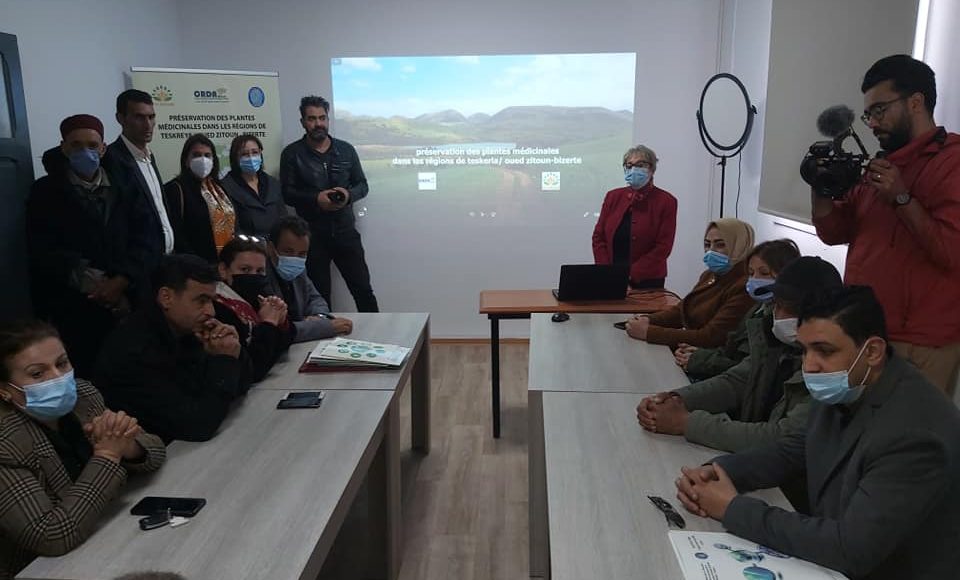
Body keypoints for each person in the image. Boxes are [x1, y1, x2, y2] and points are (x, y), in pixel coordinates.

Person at [675, 286, 960, 579]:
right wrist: (721, 471)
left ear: (872, 351)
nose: (809, 366)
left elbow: (850, 549)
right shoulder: (851, 383)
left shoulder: (915, 432)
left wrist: (733, 508)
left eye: (824, 350)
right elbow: (795, 449)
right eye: (804, 350)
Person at [812, 54, 960, 395]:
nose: (873, 123)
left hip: (919, 344)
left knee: (909, 429)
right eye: (868, 115)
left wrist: (902, 198)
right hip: (863, 329)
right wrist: (820, 189)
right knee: (855, 426)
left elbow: (951, 252)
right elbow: (834, 233)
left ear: (915, 102)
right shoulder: (881, 164)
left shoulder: (952, 162)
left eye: (880, 110)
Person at [0, 320, 165, 579]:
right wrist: (108, 455)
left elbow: (156, 451)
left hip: (106, 532)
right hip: (39, 568)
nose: (58, 377)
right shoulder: (6, 442)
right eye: (37, 374)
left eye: (62, 363)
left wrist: (129, 446)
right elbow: (51, 536)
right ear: (5, 391)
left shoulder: (83, 396)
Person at [636, 256, 843, 454]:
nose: (777, 315)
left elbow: (782, 437)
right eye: (776, 304)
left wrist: (686, 423)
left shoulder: (829, 371)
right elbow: (736, 382)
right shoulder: (775, 341)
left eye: (787, 308)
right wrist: (675, 400)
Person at [26, 114, 151, 377]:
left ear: (103, 148)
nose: (85, 152)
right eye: (76, 145)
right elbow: (43, 248)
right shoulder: (45, 191)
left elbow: (146, 237)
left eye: (92, 145)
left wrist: (122, 280)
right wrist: (95, 284)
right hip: (76, 307)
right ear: (64, 147)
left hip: (128, 300)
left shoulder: (126, 185)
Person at [95, 254, 250, 443]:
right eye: (201, 300)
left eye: (211, 301)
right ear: (166, 297)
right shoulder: (134, 351)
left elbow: (241, 386)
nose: (211, 311)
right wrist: (224, 361)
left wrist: (233, 351)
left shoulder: (186, 330)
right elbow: (197, 425)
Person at [280, 95, 379, 312]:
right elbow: (287, 193)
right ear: (303, 122)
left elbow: (362, 185)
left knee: (363, 290)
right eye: (312, 118)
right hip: (311, 237)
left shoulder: (346, 150)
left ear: (328, 119)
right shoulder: (292, 154)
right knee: (319, 296)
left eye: (322, 118)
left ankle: (378, 332)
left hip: (345, 233)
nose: (318, 124)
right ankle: (325, 334)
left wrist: (347, 195)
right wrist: (316, 199)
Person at [677, 239, 801, 380]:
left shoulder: (785, 320)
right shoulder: (758, 307)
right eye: (751, 273)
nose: (755, 279)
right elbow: (733, 349)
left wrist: (701, 360)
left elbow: (751, 371)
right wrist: (702, 354)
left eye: (764, 273)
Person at [625, 218, 755, 348]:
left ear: (740, 246)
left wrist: (649, 332)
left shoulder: (745, 287)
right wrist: (648, 319)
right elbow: (682, 311)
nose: (711, 251)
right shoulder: (709, 275)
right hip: (689, 350)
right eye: (707, 244)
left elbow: (711, 337)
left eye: (720, 245)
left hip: (704, 354)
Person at [104, 90, 173, 276]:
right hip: (134, 272)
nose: (148, 124)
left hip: (163, 263)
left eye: (151, 117)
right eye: (139, 117)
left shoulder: (149, 157)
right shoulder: (111, 159)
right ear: (121, 118)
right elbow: (117, 222)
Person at [592, 144, 678, 290]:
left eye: (640, 165)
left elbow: (663, 247)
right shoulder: (613, 196)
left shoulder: (666, 201)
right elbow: (598, 237)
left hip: (648, 281)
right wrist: (607, 272)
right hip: (611, 277)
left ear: (652, 169)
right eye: (629, 165)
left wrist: (629, 275)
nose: (633, 169)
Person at [215, 238, 293, 382]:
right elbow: (254, 368)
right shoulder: (219, 307)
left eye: (260, 271)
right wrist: (269, 323)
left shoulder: (255, 299)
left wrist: (281, 322)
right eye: (245, 269)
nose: (253, 276)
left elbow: (279, 351)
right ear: (223, 270)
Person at [265, 216, 354, 342]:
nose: (295, 258)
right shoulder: (258, 273)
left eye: (302, 254)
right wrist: (323, 327)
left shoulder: (299, 269)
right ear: (270, 248)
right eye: (288, 251)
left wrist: (319, 316)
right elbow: (277, 331)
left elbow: (315, 299)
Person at [163, 134, 236, 263]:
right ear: (186, 160)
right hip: (193, 266)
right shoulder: (175, 189)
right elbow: (176, 233)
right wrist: (196, 264)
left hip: (226, 264)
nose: (203, 160)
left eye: (207, 155)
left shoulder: (219, 188)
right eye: (196, 155)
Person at [221, 134, 287, 238]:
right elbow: (232, 228)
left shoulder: (272, 183)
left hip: (276, 243)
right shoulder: (225, 187)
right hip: (245, 245)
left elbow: (283, 217)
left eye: (255, 152)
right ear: (235, 158)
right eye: (244, 154)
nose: (251, 157)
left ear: (260, 153)